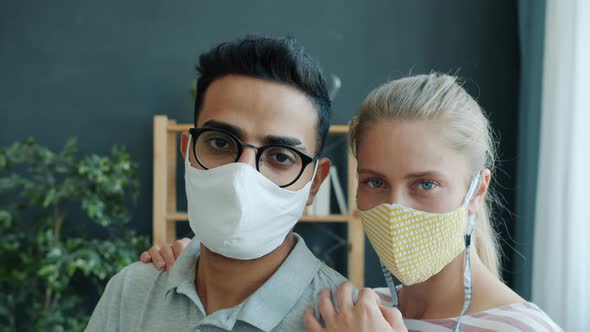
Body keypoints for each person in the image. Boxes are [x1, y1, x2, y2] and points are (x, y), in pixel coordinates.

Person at [144, 73, 561, 331]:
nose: (396, 209)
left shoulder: (522, 328)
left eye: (426, 185)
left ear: (477, 190)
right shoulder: (353, 309)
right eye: (375, 182)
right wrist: (203, 260)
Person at [86, 35, 351, 331]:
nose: (242, 176)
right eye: (219, 142)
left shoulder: (346, 320)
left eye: (280, 156)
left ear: (315, 183)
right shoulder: (132, 290)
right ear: (187, 151)